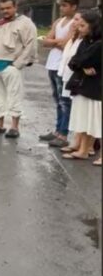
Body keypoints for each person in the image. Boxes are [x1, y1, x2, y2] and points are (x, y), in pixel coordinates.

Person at [0, 0, 38, 138]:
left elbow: (30, 45)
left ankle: (14, 127)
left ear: (15, 7)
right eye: (2, 9)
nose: (5, 11)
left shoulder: (25, 23)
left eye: (8, 8)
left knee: (14, 96)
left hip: (11, 66)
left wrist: (17, 64)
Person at [61, 10, 102, 163]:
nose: (80, 29)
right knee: (84, 120)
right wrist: (82, 67)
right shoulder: (85, 41)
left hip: (95, 88)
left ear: (93, 26)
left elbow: (81, 60)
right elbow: (73, 62)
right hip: (83, 86)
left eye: (83, 25)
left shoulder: (98, 44)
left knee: (95, 122)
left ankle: (88, 150)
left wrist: (80, 64)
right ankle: (83, 150)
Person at [40, 0, 79, 148]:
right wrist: (56, 41)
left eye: (65, 5)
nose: (61, 8)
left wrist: (53, 42)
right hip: (52, 64)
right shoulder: (58, 21)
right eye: (61, 5)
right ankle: (57, 130)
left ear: (74, 6)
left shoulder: (75, 23)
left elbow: (66, 44)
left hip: (64, 65)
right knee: (57, 99)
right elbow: (45, 42)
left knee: (65, 101)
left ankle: (63, 134)